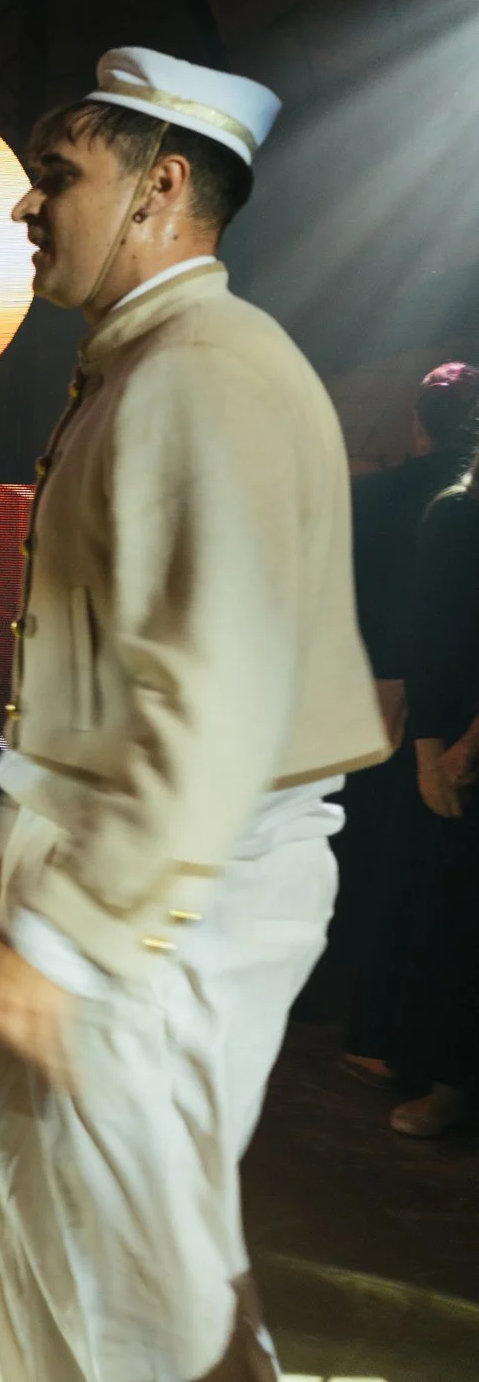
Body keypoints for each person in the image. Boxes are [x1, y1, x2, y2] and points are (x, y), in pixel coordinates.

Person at [0, 48, 387, 1382]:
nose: (28, 207)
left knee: (148, 1284)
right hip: (119, 864)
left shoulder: (204, 370)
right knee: (14, 1158)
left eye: (56, 177)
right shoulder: (150, 363)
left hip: (180, 885)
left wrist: (70, 937)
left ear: (160, 187)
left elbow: (216, 699)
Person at [334, 363, 479, 1090]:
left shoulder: (396, 500)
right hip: (435, 710)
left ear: (419, 423)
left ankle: (368, 1025)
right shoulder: (447, 502)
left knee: (377, 868)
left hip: (379, 695)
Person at [392, 447, 479, 1136]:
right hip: (457, 735)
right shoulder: (455, 514)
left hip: (462, 743)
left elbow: (430, 638)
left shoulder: (457, 516)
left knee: (456, 914)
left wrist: (447, 747)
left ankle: (451, 1088)